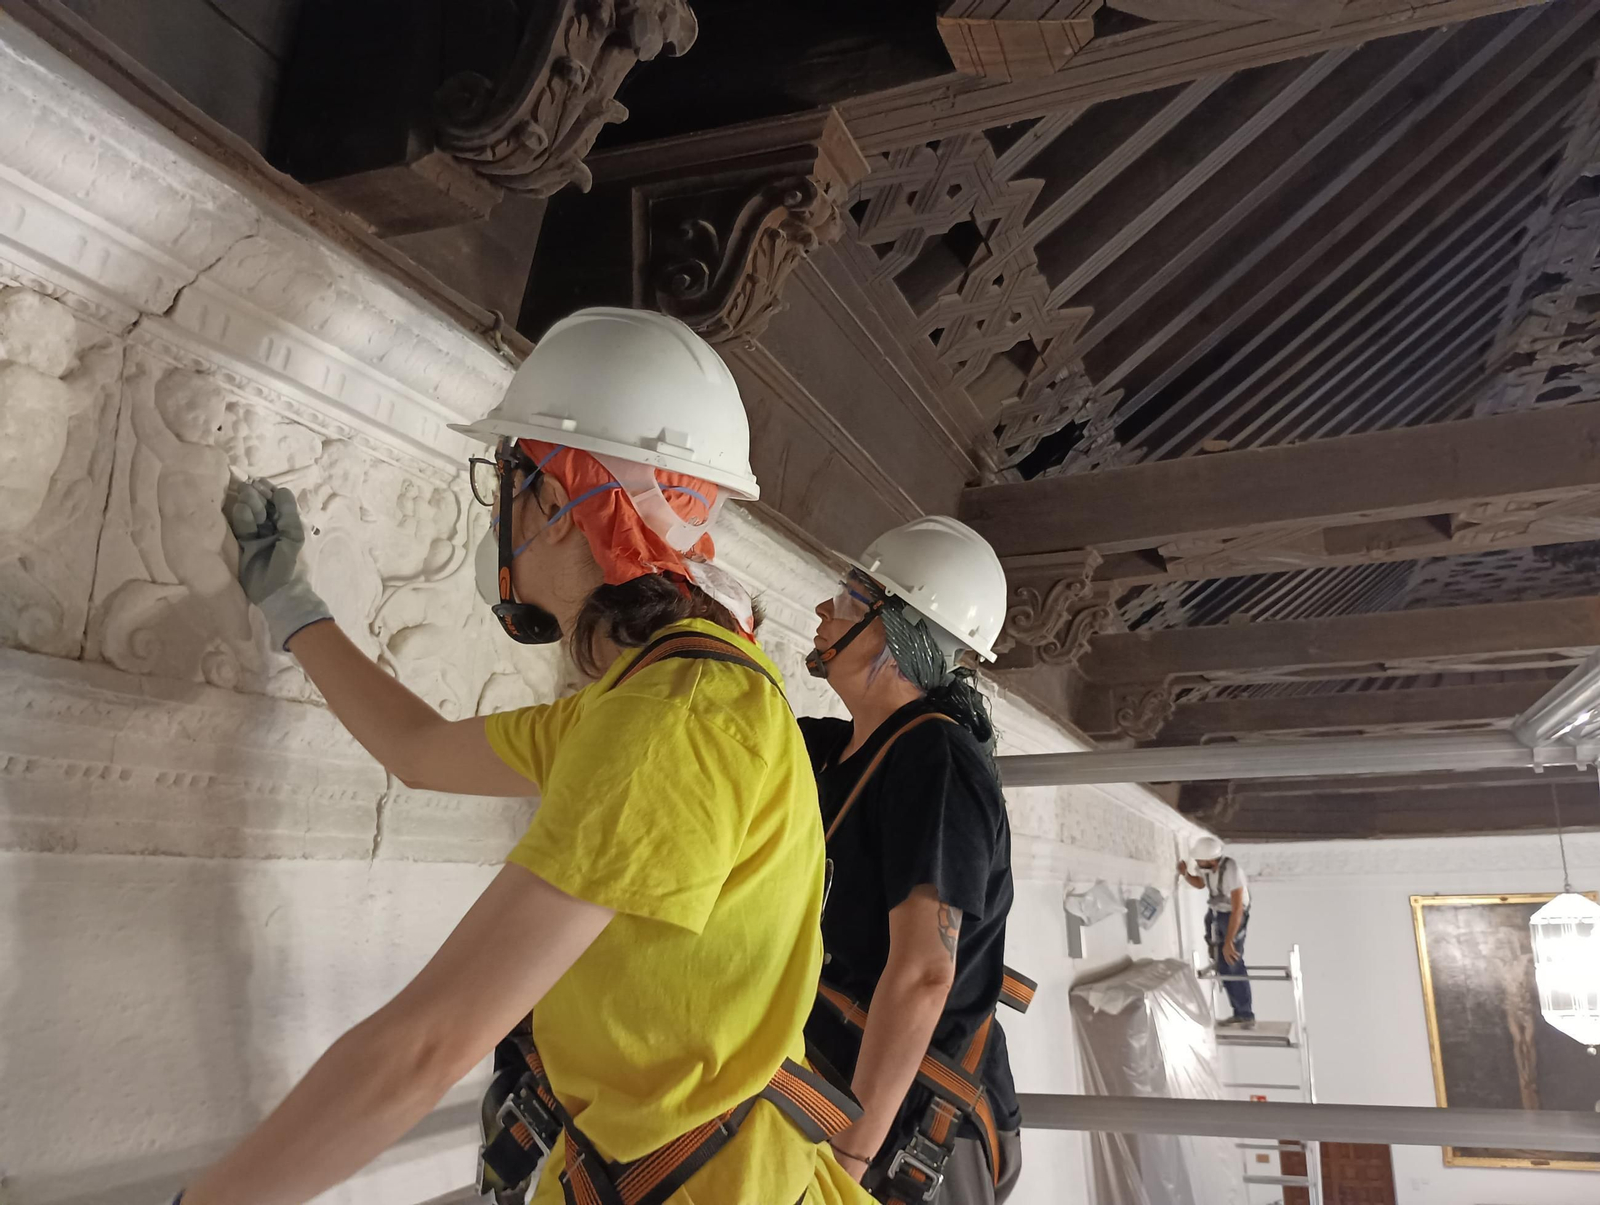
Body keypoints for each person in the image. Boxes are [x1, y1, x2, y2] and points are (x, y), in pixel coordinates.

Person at [183, 308, 870, 1205]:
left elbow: (427, 1046)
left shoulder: (670, 723)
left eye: (509, 477)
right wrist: (293, 607)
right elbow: (420, 751)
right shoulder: (655, 697)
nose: (498, 510)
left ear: (562, 502)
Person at [798, 516, 1027, 1205]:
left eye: (850, 598)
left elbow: (927, 972)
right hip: (831, 1087)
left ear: (902, 635)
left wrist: (848, 1159)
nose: (824, 608)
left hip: (899, 1135)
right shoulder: (826, 751)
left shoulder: (937, 762)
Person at [1179, 835, 1255, 1029]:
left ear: (1211, 860)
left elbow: (1237, 909)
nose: (1197, 862)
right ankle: (1240, 1013)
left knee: (1232, 962)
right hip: (1216, 913)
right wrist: (1185, 874)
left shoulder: (1232, 871)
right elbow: (1200, 884)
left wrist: (1229, 942)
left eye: (1200, 860)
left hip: (1234, 915)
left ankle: (1245, 1014)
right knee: (1221, 963)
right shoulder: (1206, 868)